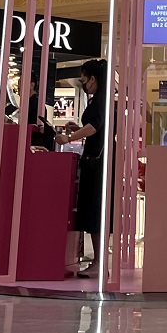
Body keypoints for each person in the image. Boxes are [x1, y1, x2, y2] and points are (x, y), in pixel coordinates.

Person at [55, 58, 107, 278]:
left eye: (84, 80)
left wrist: (69, 137)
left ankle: (98, 262)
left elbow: (95, 127)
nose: (84, 84)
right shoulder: (101, 101)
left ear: (93, 79)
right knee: (93, 212)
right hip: (95, 160)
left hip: (95, 163)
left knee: (94, 213)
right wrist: (77, 129)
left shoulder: (100, 102)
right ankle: (98, 261)